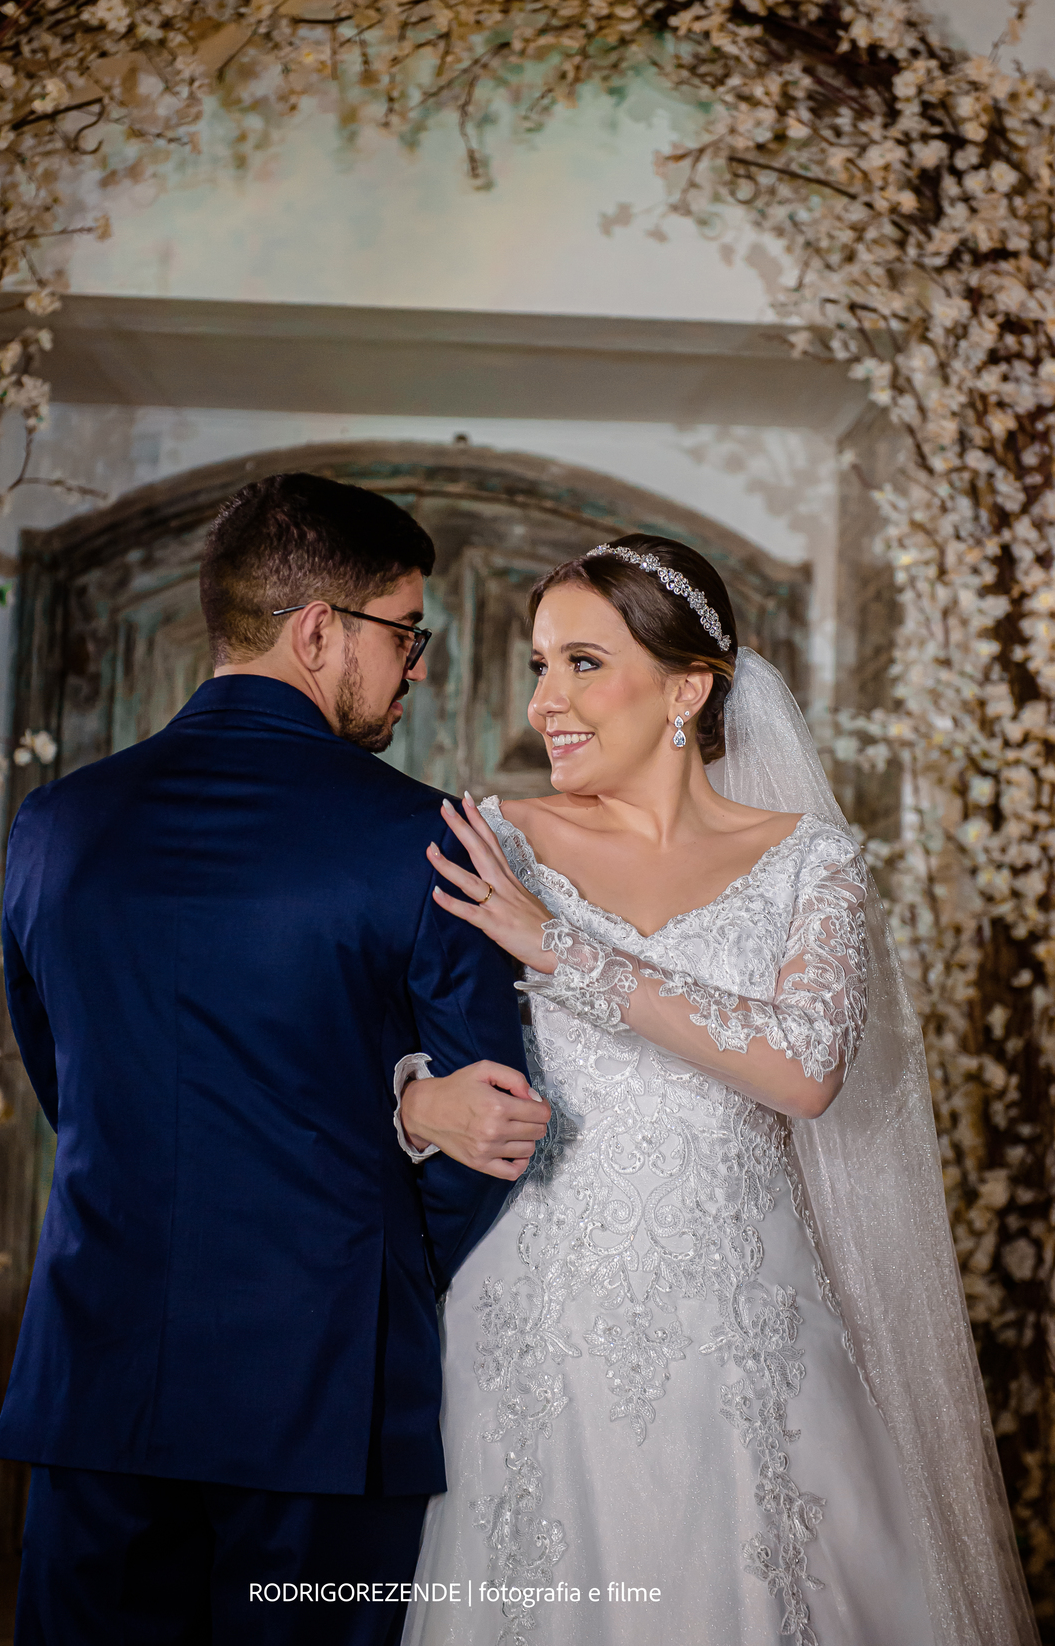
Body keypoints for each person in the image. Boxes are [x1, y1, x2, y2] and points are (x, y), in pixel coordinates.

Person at [398, 535, 1039, 1646]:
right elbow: (373, 1042)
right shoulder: (493, 840)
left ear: (686, 688)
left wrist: (563, 951)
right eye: (541, 666)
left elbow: (805, 1069)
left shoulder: (811, 862)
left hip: (749, 1320)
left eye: (583, 663)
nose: (546, 701)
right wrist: (415, 1102)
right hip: (539, 1323)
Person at [0, 472, 551, 1646]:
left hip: (97, 1382)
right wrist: (383, 1259)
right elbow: (493, 1118)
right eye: (405, 633)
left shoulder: (53, 824)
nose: (415, 668)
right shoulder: (426, 840)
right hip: (328, 1397)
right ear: (317, 632)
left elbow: (67, 1083)